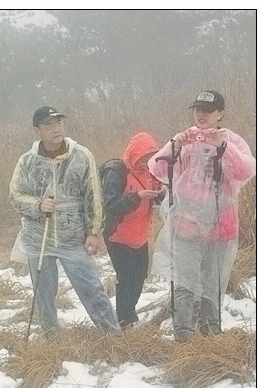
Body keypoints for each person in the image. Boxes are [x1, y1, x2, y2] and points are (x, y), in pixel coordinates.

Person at [148, 90, 255, 342]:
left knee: (213, 282)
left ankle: (211, 333)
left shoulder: (232, 140)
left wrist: (222, 147)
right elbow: (158, 169)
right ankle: (182, 335)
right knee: (183, 282)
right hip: (187, 225)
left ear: (220, 114)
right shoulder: (185, 139)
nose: (201, 115)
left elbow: (244, 172)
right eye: (197, 110)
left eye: (207, 110)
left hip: (220, 227)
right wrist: (174, 145)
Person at [9, 106, 120, 335]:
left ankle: (112, 335)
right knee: (43, 294)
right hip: (38, 240)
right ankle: (51, 338)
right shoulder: (27, 161)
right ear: (37, 130)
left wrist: (94, 232)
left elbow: (93, 195)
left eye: (58, 123)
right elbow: (15, 196)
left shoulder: (81, 156)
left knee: (92, 289)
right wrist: (38, 205)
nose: (56, 129)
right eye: (49, 125)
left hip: (73, 238)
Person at [102, 132, 165, 328]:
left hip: (140, 236)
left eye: (150, 158)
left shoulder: (150, 171)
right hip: (118, 236)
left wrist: (160, 193)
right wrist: (137, 196)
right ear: (134, 154)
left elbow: (157, 192)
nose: (146, 163)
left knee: (140, 278)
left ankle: (129, 315)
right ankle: (125, 321)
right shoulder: (116, 172)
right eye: (143, 159)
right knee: (127, 280)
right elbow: (111, 205)